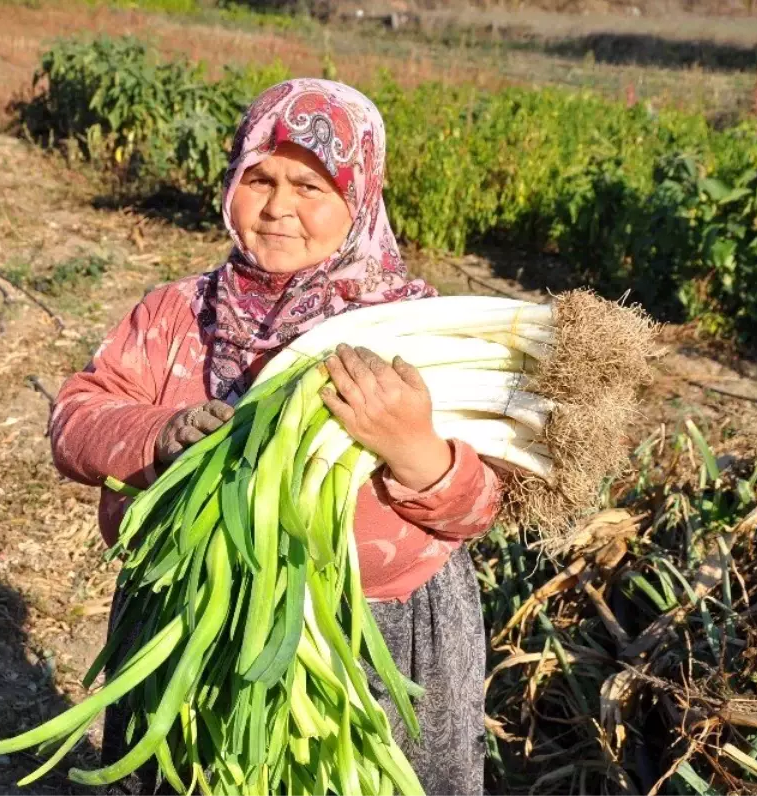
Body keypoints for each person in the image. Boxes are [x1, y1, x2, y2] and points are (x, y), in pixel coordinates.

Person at [49, 79, 501, 796]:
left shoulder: (417, 334)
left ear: (360, 199)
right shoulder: (178, 314)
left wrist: (416, 450)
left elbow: (477, 509)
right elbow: (74, 419)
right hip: (194, 623)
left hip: (378, 641)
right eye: (259, 178)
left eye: (311, 186)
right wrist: (159, 433)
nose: (279, 206)